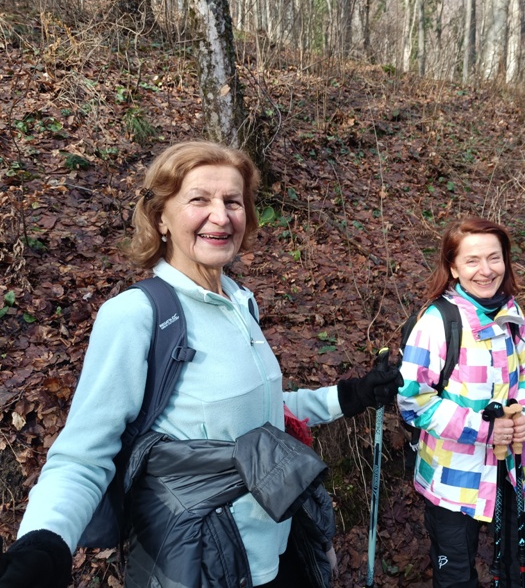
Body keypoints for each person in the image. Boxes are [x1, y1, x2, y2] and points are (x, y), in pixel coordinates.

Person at [0, 141, 403, 588]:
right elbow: (83, 455)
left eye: (233, 201)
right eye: (199, 199)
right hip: (205, 563)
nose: (221, 216)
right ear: (160, 217)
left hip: (278, 546)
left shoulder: (240, 302)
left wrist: (351, 396)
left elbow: (262, 418)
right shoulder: (137, 315)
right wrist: (44, 544)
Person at [398, 217, 525, 588]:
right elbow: (413, 401)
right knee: (456, 576)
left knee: (523, 568)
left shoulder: (512, 313)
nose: (486, 270)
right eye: (472, 260)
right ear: (453, 267)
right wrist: (485, 429)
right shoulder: (437, 322)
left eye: (494, 258)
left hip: (509, 468)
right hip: (452, 478)